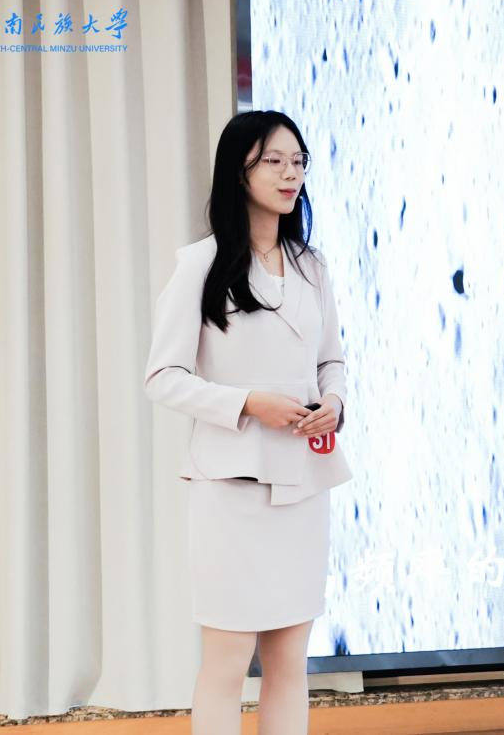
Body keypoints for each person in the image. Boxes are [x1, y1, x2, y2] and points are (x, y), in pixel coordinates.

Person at [143, 110, 352, 735]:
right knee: (228, 662)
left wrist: (334, 402)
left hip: (304, 487)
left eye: (298, 162)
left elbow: (331, 360)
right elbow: (162, 376)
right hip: (230, 490)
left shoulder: (312, 266)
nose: (290, 175)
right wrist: (248, 403)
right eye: (274, 162)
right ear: (240, 172)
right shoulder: (201, 265)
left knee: (290, 661)